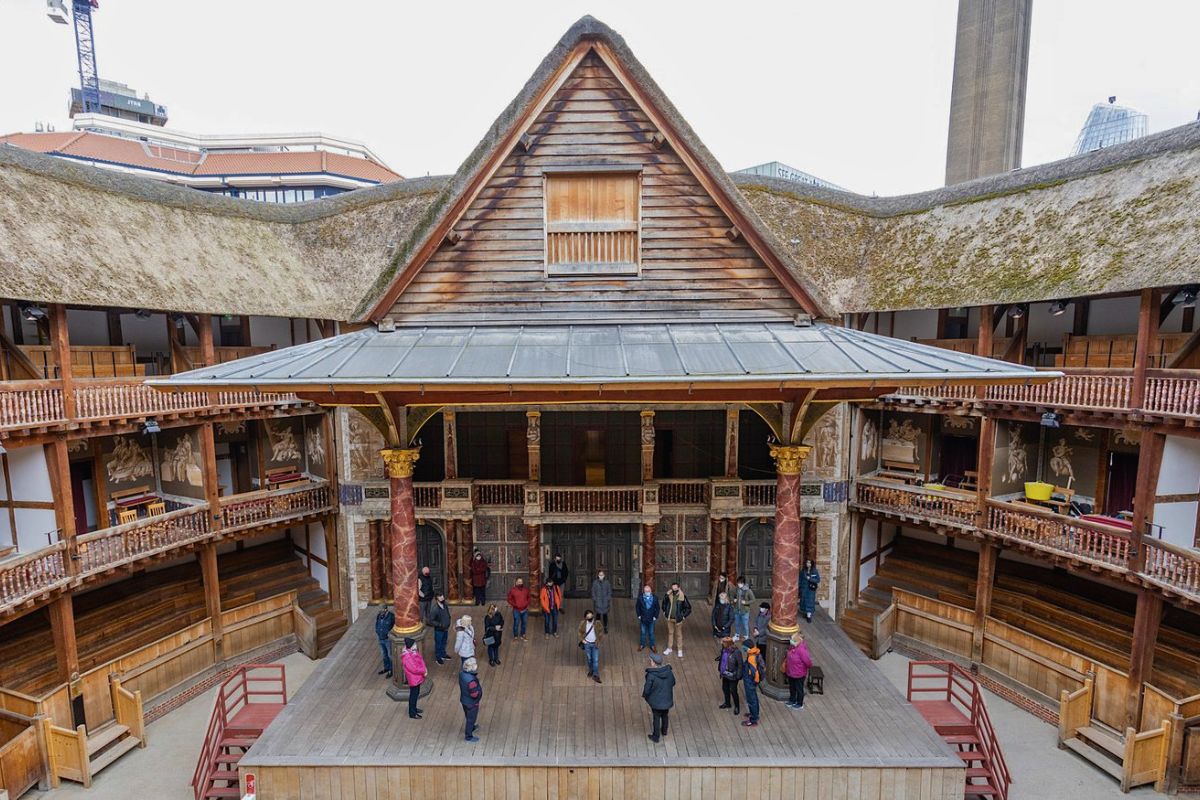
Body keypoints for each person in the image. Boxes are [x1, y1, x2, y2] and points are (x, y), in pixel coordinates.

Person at [642, 653, 675, 743]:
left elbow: (647, 689)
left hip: (656, 701)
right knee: (665, 715)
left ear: (654, 663)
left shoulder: (651, 675)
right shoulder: (669, 672)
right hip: (667, 699)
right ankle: (664, 731)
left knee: (656, 718)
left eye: (651, 661)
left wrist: (646, 696)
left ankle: (656, 736)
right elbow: (673, 682)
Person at [661, 581, 691, 658]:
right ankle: (669, 648)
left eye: (675, 587)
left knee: (679, 635)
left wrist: (683, 616)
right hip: (669, 618)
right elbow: (664, 603)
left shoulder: (683, 597)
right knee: (670, 633)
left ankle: (679, 649)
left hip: (678, 619)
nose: (674, 589)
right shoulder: (668, 595)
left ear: (678, 587)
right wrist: (665, 611)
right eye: (673, 587)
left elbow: (688, 608)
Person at [785, 632, 814, 709]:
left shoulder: (801, 650)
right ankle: (792, 700)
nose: (791, 641)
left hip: (799, 674)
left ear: (798, 641)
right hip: (791, 672)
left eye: (793, 640)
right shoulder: (793, 647)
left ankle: (799, 703)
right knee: (792, 687)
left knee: (799, 689)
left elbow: (808, 662)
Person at [400, 638, 427, 720]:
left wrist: (424, 669)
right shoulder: (407, 657)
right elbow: (414, 669)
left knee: (416, 693)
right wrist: (423, 671)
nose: (415, 645)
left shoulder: (412, 652)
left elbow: (420, 660)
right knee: (413, 695)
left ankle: (414, 709)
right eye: (414, 644)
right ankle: (412, 713)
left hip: (416, 677)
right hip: (414, 679)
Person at [715, 636, 742, 716]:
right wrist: (721, 669)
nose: (721, 643)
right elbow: (722, 659)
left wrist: (738, 675)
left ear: (728, 644)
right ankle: (727, 703)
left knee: (733, 691)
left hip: (733, 675)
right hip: (725, 673)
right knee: (725, 688)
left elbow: (740, 664)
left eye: (723, 642)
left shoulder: (737, 652)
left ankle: (737, 706)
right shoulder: (724, 650)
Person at [458, 657, 483, 742]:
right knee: (471, 719)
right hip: (472, 703)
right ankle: (468, 736)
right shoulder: (471, 680)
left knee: (468, 716)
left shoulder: (462, 674)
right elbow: (474, 694)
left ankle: (471, 727)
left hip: (464, 700)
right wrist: (479, 693)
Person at [741, 638, 763, 727]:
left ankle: (753, 719)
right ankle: (754, 714)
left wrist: (754, 681)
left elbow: (754, 672)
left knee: (751, 700)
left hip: (750, 681)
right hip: (752, 681)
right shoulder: (755, 653)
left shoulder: (751, 658)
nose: (743, 648)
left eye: (744, 647)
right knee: (754, 698)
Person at [578, 609, 603, 684]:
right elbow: (580, 632)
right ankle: (591, 670)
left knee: (595, 660)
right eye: (588, 617)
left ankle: (596, 675)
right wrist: (582, 640)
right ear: (585, 617)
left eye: (591, 616)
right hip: (587, 644)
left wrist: (598, 640)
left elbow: (601, 632)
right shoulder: (583, 624)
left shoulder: (597, 623)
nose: (590, 618)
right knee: (589, 659)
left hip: (595, 644)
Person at [428, 593, 451, 665]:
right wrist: (440, 625)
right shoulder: (435, 609)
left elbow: (447, 613)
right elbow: (431, 620)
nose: (442, 599)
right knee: (438, 644)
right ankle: (438, 658)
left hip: (445, 628)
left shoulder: (445, 605)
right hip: (439, 630)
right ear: (437, 599)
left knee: (444, 642)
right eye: (440, 598)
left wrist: (449, 619)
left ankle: (443, 654)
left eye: (442, 597)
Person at [635, 584, 660, 652]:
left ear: (651, 591)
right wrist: (639, 615)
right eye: (646, 591)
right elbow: (637, 607)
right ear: (644, 591)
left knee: (651, 633)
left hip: (651, 619)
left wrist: (655, 616)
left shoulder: (655, 598)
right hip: (643, 618)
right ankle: (642, 645)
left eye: (648, 591)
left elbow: (657, 608)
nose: (647, 592)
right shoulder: (640, 598)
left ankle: (652, 645)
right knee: (643, 632)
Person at [732, 576, 756, 641]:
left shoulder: (748, 591)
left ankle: (746, 636)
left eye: (739, 583)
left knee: (745, 624)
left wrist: (746, 602)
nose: (738, 584)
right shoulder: (737, 589)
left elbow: (753, 600)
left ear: (743, 583)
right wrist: (734, 599)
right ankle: (737, 635)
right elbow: (734, 596)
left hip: (745, 611)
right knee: (737, 623)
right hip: (737, 610)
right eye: (738, 583)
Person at [374, 604, 395, 678]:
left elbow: (395, 626)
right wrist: (377, 631)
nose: (380, 612)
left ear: (385, 609)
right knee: (384, 655)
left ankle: (391, 670)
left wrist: (390, 634)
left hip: (388, 639)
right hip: (381, 638)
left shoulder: (391, 617)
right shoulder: (379, 616)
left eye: (381, 610)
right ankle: (386, 667)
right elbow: (377, 624)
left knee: (390, 655)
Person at [590, 569, 613, 634]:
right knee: (598, 616)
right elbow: (593, 591)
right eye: (600, 575)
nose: (601, 576)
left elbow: (609, 591)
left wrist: (608, 598)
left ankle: (605, 627)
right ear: (598, 575)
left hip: (605, 602)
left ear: (604, 575)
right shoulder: (595, 583)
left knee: (605, 616)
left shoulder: (607, 582)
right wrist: (595, 598)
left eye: (602, 575)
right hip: (598, 602)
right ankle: (598, 628)